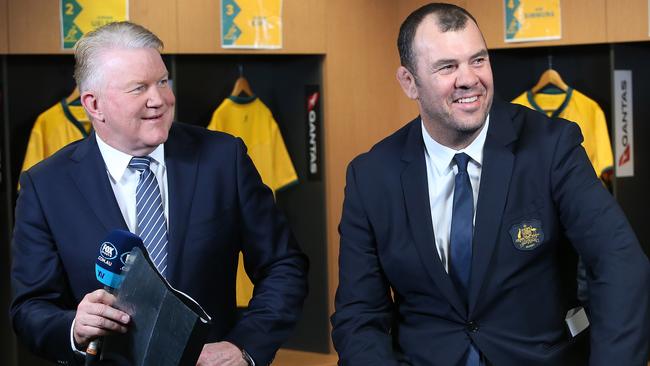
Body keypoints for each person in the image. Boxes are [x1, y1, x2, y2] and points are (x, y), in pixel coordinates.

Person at [331, 3, 649, 366]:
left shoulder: (551, 147)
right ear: (408, 82)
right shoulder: (371, 176)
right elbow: (359, 314)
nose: (469, 79)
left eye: (478, 60)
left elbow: (620, 264)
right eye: (447, 67)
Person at [10, 21, 308, 366]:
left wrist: (244, 347)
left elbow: (283, 266)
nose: (160, 100)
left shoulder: (224, 159)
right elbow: (30, 308)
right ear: (94, 104)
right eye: (139, 88)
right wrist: (74, 328)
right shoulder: (46, 186)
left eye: (163, 81)